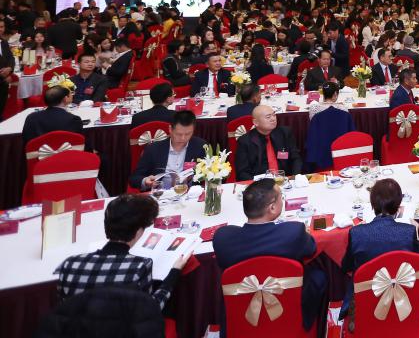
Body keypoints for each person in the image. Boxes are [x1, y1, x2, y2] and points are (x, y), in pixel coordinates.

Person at [213, 179, 327, 332]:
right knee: (319, 276)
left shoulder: (223, 238)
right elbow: (311, 249)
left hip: (241, 311)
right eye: (281, 197)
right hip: (288, 305)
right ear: (272, 208)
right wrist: (305, 234)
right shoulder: (293, 232)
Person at [55, 194, 189, 310]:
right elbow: (151, 309)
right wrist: (174, 273)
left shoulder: (70, 264)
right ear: (139, 231)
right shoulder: (139, 266)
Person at [339, 179, 419, 327]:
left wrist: (359, 231)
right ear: (398, 206)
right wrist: (416, 235)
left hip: (365, 303)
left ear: (372, 205)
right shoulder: (408, 232)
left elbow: (346, 267)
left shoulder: (357, 233)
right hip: (402, 299)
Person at [128, 110, 207, 190]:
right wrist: (145, 181)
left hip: (189, 193)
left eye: (188, 134)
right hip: (161, 193)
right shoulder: (154, 149)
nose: (183, 138)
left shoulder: (200, 146)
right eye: (179, 134)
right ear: (170, 129)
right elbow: (134, 178)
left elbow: (207, 175)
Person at [233, 105, 303, 179]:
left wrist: (294, 177)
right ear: (256, 122)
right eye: (268, 117)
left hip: (285, 179)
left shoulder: (285, 133)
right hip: (259, 182)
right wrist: (257, 182)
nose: (273, 119)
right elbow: (242, 172)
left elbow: (296, 159)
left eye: (274, 115)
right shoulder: (245, 141)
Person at [305, 82, 355, 170]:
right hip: (340, 148)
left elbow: (314, 124)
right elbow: (350, 131)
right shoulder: (343, 108)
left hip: (321, 148)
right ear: (335, 94)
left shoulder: (314, 108)